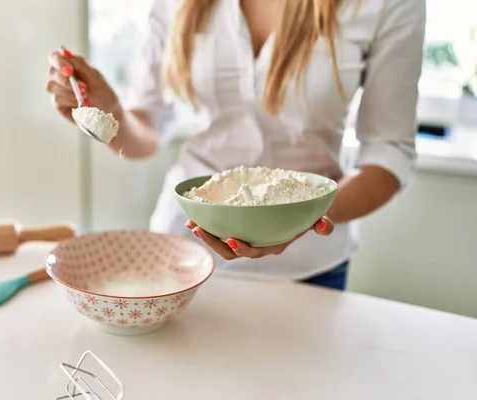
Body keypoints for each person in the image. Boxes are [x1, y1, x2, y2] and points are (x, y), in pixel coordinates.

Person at [46, 0, 426, 290]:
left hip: (308, 270)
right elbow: (147, 129)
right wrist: (112, 111)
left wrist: (299, 217)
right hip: (184, 254)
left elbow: (388, 153)